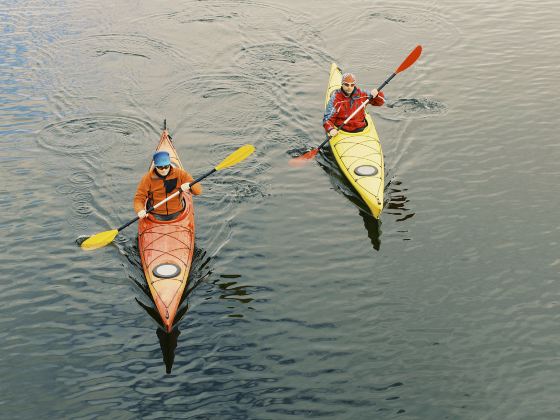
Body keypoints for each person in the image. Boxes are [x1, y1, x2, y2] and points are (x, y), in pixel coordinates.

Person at [134, 150, 202, 221]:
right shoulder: (147, 178)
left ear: (169, 164)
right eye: (160, 167)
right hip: (155, 213)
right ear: (155, 166)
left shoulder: (180, 174)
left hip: (177, 211)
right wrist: (140, 210)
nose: (164, 170)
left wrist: (190, 185)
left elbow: (198, 191)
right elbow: (139, 197)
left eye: (166, 166)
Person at [323, 72, 385, 137]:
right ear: (342, 84)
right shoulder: (335, 99)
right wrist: (330, 129)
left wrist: (377, 95)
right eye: (346, 85)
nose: (349, 87)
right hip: (343, 129)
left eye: (352, 85)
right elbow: (327, 120)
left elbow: (380, 102)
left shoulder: (363, 94)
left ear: (354, 85)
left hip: (361, 128)